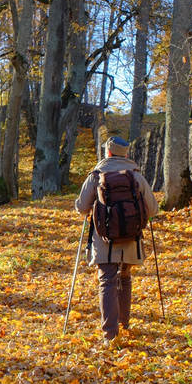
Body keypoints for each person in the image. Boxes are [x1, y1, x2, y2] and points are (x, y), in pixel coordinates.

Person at [75, 136, 159, 347]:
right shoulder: (136, 177)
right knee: (125, 276)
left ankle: (110, 335)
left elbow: (81, 208)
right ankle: (124, 323)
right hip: (132, 237)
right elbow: (153, 210)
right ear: (126, 154)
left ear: (108, 153)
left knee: (107, 281)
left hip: (104, 239)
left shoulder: (96, 176)